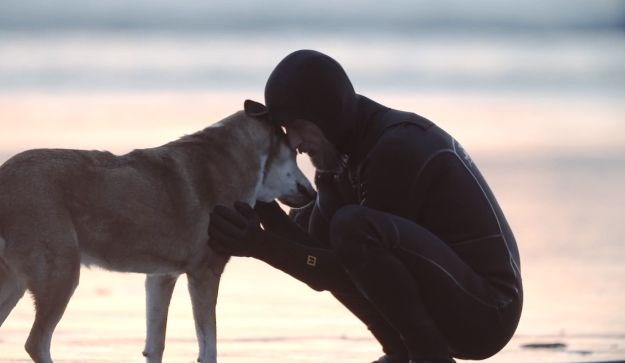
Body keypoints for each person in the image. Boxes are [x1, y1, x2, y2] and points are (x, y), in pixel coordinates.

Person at [208, 49, 523, 363]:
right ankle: (401, 351)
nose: (294, 144)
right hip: (451, 300)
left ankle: (428, 355)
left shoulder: (396, 147)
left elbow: (350, 270)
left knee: (352, 229)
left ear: (327, 113)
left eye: (299, 126)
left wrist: (260, 245)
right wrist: (263, 207)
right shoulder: (340, 162)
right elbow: (318, 260)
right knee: (307, 220)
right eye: (286, 131)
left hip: (489, 311)